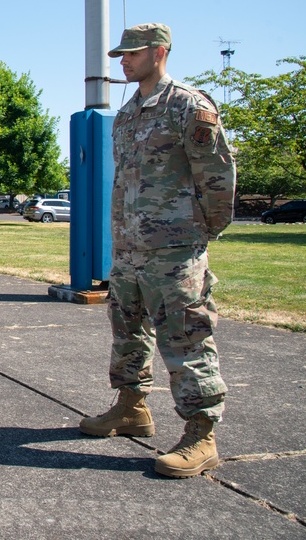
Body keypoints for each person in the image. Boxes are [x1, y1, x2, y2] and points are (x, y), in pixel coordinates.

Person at [80, 23, 236, 478]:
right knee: (128, 332)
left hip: (174, 248)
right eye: (121, 55)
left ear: (160, 52)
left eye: (132, 53)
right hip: (129, 249)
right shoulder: (129, 112)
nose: (123, 61)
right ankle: (131, 406)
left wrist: (198, 233)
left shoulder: (187, 104)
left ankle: (201, 434)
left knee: (185, 336)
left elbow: (217, 175)